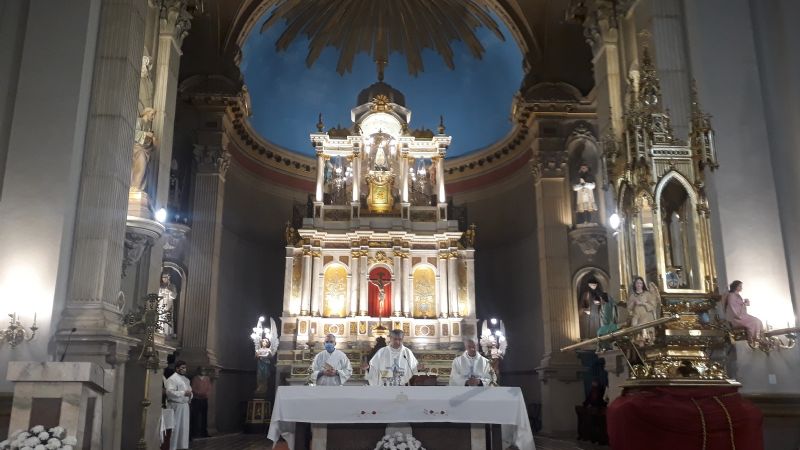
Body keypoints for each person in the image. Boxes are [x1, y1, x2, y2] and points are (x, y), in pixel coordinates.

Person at [627, 277, 661, 345]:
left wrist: (643, 303)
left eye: (640, 283)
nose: (639, 285)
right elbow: (629, 309)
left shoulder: (647, 294)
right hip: (637, 318)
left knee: (648, 339)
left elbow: (653, 305)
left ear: (643, 284)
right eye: (637, 283)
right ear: (635, 285)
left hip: (646, 318)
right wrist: (633, 303)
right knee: (639, 339)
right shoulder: (632, 296)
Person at [165, 361, 192, 450]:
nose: (184, 369)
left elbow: (190, 392)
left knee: (184, 428)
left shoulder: (186, 379)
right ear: (177, 368)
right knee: (175, 428)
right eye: (182, 367)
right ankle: (173, 447)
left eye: (185, 367)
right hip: (175, 406)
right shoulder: (172, 379)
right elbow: (169, 392)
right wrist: (183, 393)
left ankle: (182, 446)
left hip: (184, 406)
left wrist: (190, 395)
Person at [190, 368, 211, 438]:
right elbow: (193, 388)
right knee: (195, 416)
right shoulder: (195, 378)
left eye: (204, 370)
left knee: (204, 417)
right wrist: (199, 393)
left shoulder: (207, 378)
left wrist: (206, 394)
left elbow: (209, 388)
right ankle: (194, 432)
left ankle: (204, 432)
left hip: (204, 399)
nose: (203, 371)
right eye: (202, 370)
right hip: (196, 399)